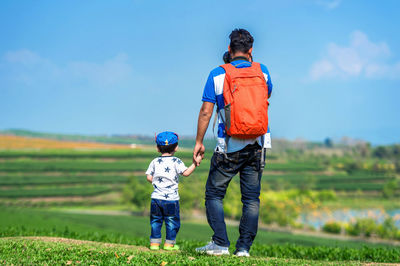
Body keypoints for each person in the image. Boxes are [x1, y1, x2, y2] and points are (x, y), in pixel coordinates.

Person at [193, 29, 273, 257]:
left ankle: (220, 243)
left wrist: (199, 142)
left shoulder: (217, 74)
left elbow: (206, 112)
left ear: (229, 49)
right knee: (251, 199)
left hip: (228, 146)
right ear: (251, 51)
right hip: (258, 144)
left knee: (214, 194)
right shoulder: (263, 72)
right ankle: (244, 249)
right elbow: (265, 96)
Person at [146, 131, 199, 251]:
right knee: (171, 222)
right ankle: (169, 244)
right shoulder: (176, 161)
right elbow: (186, 173)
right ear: (176, 147)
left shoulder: (154, 161)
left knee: (155, 221)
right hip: (171, 200)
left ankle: (154, 244)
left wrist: (157, 181)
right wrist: (195, 163)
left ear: (157, 148)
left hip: (156, 198)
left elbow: (149, 177)